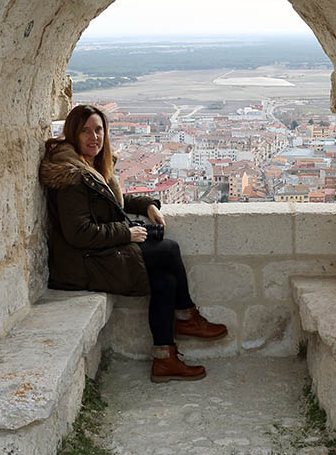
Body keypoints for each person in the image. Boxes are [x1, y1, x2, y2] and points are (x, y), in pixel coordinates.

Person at [39, 104, 228, 383]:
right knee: (168, 249)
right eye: (85, 131)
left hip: (95, 254)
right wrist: (127, 234)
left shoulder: (89, 166)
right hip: (82, 263)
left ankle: (165, 360)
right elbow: (78, 233)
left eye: (99, 130)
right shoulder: (73, 176)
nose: (94, 137)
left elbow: (112, 205)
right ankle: (186, 316)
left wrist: (148, 205)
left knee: (165, 280)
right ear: (73, 134)